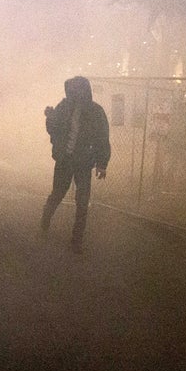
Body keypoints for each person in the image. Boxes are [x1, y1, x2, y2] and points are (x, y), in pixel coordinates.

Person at [40, 76, 110, 253]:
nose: (72, 94)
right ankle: (44, 222)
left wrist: (102, 163)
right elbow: (53, 129)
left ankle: (77, 240)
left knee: (82, 201)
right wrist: (50, 117)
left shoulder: (95, 112)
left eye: (75, 90)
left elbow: (102, 138)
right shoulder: (64, 107)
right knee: (57, 193)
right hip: (65, 159)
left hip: (83, 163)